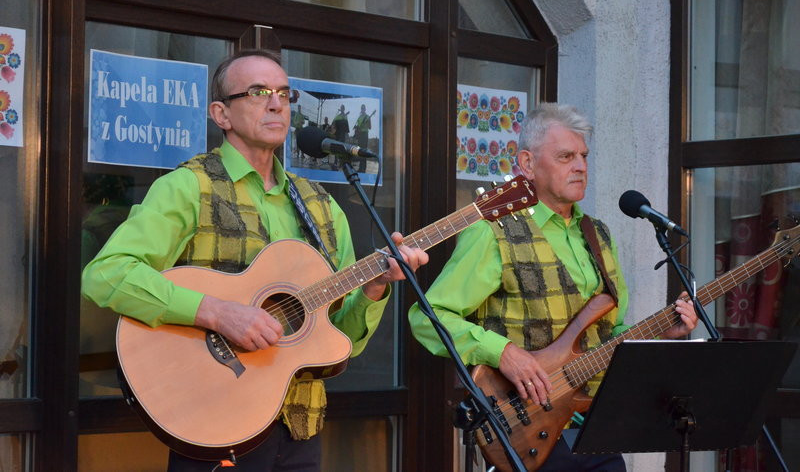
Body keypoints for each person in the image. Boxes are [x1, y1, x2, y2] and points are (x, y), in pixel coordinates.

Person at [82, 49, 428, 472]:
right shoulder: (188, 188)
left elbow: (342, 341)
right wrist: (217, 313)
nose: (276, 103)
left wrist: (375, 288)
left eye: (285, 93)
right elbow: (107, 274)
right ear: (221, 114)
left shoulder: (322, 208)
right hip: (214, 419)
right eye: (258, 92)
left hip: (300, 429)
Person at [408, 103, 697, 471]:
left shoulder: (598, 235)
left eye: (583, 156)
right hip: (528, 432)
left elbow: (609, 335)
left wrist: (660, 334)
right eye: (565, 156)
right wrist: (502, 353)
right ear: (527, 164)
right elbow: (427, 317)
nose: (580, 166)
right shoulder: (492, 232)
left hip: (596, 429)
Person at [353, 104, 375, 172]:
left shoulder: (367, 117)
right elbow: (357, 126)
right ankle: (360, 167)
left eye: (363, 108)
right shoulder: (359, 117)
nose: (362, 109)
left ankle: (363, 168)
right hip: (360, 135)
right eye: (361, 108)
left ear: (365, 109)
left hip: (365, 135)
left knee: (364, 151)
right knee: (360, 151)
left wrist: (367, 122)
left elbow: (370, 127)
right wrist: (356, 127)